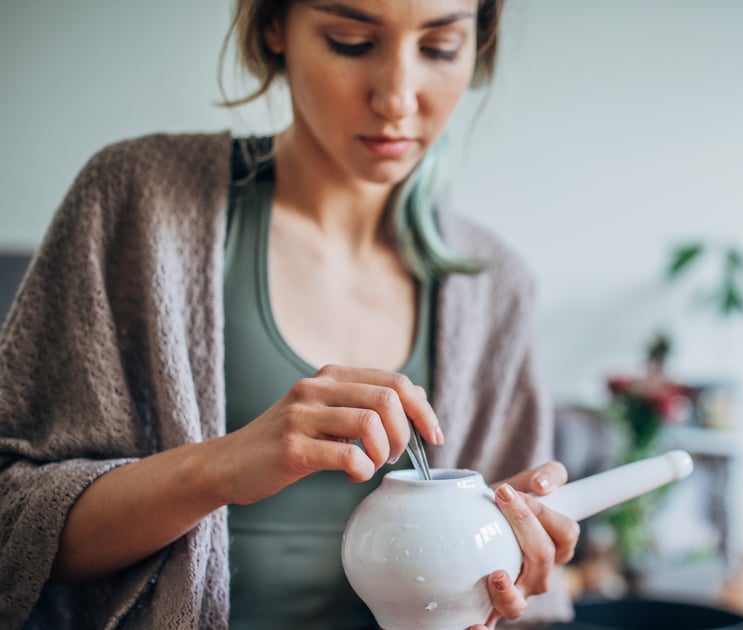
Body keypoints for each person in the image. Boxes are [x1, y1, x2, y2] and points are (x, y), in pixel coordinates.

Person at [0, 0, 579, 627]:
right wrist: (218, 468)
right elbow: (12, 523)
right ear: (274, 26)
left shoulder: (497, 290)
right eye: (351, 41)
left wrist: (504, 566)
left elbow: (516, 604)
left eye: (439, 48)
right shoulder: (139, 204)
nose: (397, 98)